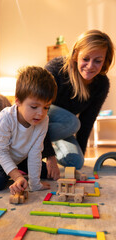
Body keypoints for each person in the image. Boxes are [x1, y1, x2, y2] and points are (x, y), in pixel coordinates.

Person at [42, 29, 115, 172]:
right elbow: (38, 111)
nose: (90, 66)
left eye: (98, 61)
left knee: (75, 162)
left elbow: (87, 122)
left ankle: (52, 144)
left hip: (62, 128)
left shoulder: (101, 84)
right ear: (76, 55)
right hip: (38, 120)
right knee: (73, 122)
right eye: (85, 59)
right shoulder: (56, 69)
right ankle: (36, 146)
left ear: (105, 61)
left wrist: (80, 153)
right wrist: (49, 155)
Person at [0, 66, 59, 195]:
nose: (40, 113)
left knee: (46, 173)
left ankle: (16, 170)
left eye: (46, 107)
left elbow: (35, 152)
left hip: (20, 157)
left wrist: (35, 184)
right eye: (34, 107)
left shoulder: (44, 121)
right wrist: (17, 176)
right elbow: (1, 150)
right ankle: (12, 171)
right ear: (17, 100)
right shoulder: (6, 117)